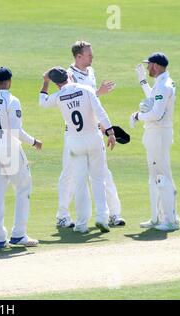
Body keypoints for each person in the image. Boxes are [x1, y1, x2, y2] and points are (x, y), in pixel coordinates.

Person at [52, 40, 125, 229]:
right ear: (78, 56)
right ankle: (62, 215)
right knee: (69, 175)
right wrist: (98, 92)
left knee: (103, 173)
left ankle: (113, 214)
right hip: (74, 134)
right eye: (89, 54)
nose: (92, 57)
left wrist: (104, 128)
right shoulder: (69, 76)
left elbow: (92, 104)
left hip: (93, 131)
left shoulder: (90, 72)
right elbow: (77, 100)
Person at [40, 67, 116, 233]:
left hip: (75, 142)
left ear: (56, 83)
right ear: (69, 76)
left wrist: (45, 83)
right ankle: (102, 217)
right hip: (94, 138)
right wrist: (110, 132)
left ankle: (81, 224)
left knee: (80, 182)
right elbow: (100, 112)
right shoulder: (87, 89)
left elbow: (42, 102)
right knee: (98, 179)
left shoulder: (59, 96)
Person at [0, 67, 42, 248]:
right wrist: (34, 141)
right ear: (9, 81)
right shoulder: (12, 100)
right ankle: (18, 234)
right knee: (24, 188)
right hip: (9, 149)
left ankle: (0, 236)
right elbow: (16, 131)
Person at [131, 52, 179, 231]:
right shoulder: (162, 82)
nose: (147, 68)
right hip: (158, 133)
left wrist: (138, 115)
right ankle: (157, 217)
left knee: (162, 176)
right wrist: (143, 82)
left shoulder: (164, 85)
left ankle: (170, 220)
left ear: (156, 66)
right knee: (155, 177)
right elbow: (153, 99)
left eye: (149, 64)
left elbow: (156, 114)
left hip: (158, 134)